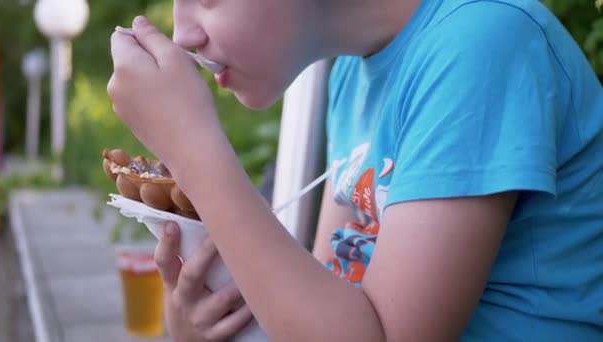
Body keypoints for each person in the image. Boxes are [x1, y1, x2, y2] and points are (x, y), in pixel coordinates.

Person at [107, 0, 603, 340]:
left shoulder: (481, 48)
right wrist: (205, 323)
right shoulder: (352, 75)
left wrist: (194, 148)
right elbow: (333, 298)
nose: (184, 32)